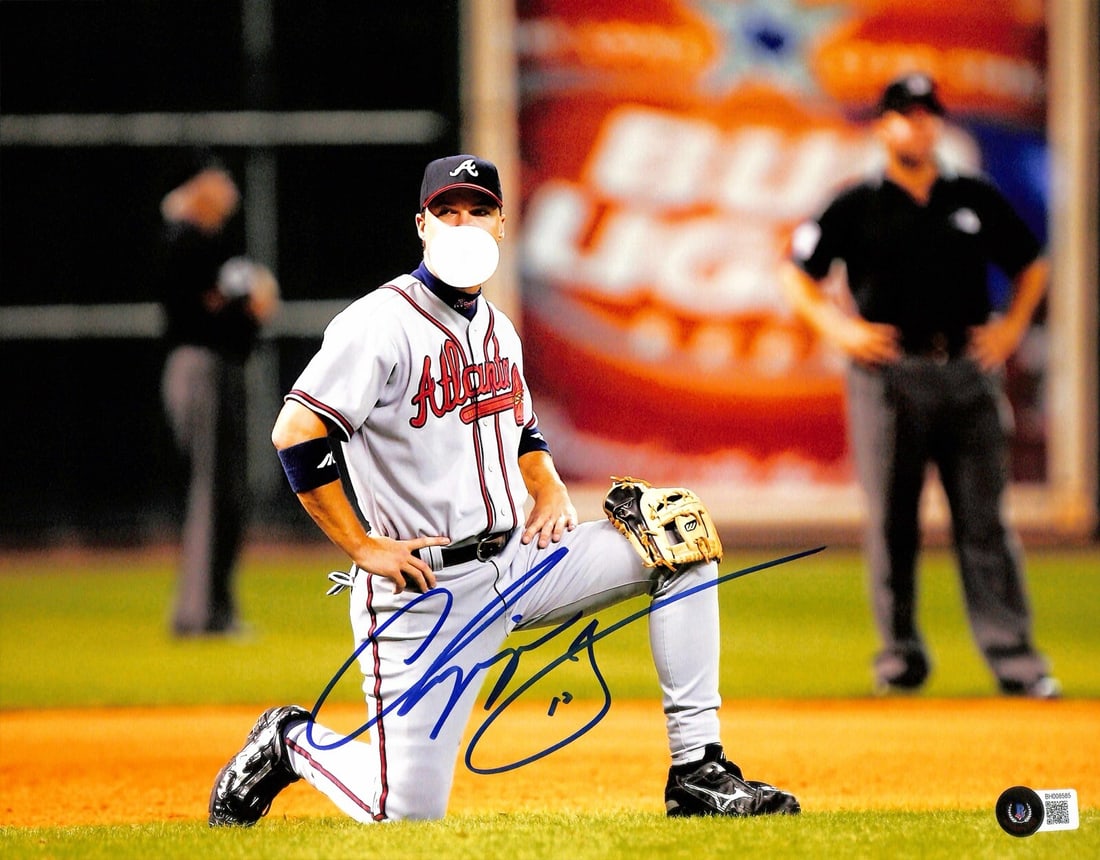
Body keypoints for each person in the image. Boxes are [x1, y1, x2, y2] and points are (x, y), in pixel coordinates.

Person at [207, 154, 801, 826]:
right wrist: (362, 544)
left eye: (477, 209)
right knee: (401, 812)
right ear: (422, 226)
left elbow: (520, 427)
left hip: (519, 565)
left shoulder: (494, 326)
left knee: (678, 533)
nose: (462, 222)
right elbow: (296, 431)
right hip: (423, 596)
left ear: (499, 224)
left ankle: (698, 771)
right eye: (447, 210)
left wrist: (546, 486)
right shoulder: (379, 323)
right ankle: (289, 743)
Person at [780, 73, 1059, 699]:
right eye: (905, 114)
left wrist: (1011, 328)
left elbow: (1032, 261)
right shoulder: (856, 202)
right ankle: (899, 662)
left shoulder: (971, 195)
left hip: (966, 368)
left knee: (984, 522)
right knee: (892, 524)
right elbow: (799, 272)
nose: (917, 124)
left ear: (937, 123)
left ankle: (1017, 662)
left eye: (927, 113)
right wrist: (838, 329)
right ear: (883, 126)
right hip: (888, 372)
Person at [159, 152, 280, 637]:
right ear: (198, 187)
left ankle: (214, 609)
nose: (229, 188)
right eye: (218, 179)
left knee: (226, 492)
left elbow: (243, 304)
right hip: (198, 366)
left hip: (218, 366)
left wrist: (245, 305)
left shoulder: (209, 241)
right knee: (212, 491)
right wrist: (246, 305)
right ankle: (199, 614)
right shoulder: (183, 238)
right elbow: (220, 310)